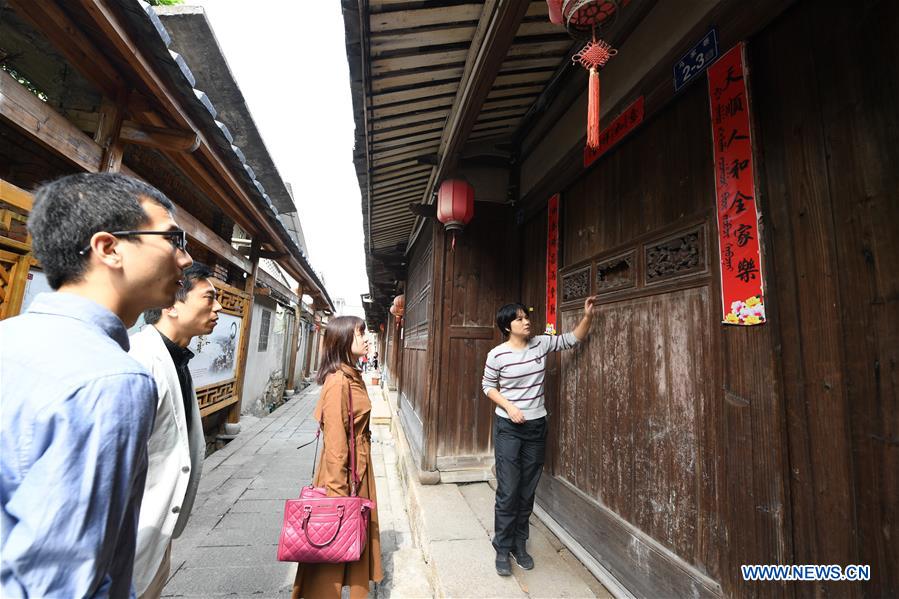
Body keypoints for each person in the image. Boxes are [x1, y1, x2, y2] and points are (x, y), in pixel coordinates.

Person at [0, 172, 193, 598]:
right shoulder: (111, 379)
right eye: (173, 240)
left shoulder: (10, 338)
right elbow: (59, 580)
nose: (184, 260)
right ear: (109, 248)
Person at [481, 297, 597, 576]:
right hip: (508, 428)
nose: (526, 321)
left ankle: (519, 544)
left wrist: (587, 316)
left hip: (535, 428)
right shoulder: (497, 354)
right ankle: (502, 546)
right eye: (519, 318)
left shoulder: (541, 344)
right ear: (507, 326)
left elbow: (573, 339)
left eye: (526, 316)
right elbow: (488, 386)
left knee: (527, 490)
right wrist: (509, 406)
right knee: (509, 490)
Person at [129, 262, 222, 598]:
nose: (218, 307)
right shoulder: (141, 361)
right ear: (171, 303)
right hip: (131, 535)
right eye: (209, 298)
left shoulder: (178, 358)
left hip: (157, 531)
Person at [292, 316, 383, 599]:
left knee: (352, 540)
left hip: (358, 467)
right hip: (343, 473)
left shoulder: (350, 373)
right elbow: (335, 443)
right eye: (361, 333)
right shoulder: (338, 381)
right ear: (344, 339)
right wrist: (337, 495)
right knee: (332, 538)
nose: (367, 338)